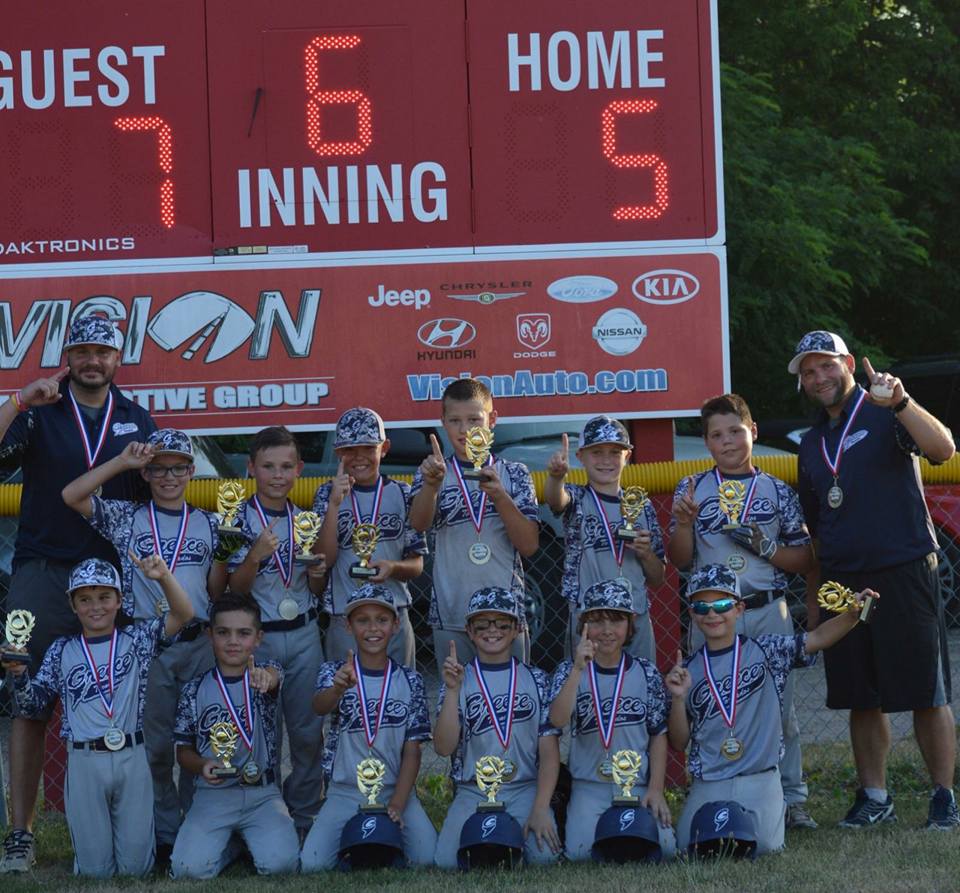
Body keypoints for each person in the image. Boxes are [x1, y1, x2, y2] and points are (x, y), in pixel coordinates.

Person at [0, 315, 156, 873]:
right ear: (68, 354)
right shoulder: (41, 407)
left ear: (119, 358)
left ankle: (136, 826)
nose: (93, 360)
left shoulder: (137, 419)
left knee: (126, 699)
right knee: (26, 702)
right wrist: (17, 400)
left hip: (109, 579)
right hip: (42, 570)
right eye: (82, 350)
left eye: (103, 351)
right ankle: (20, 833)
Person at [790, 330, 958, 829]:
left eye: (826, 365)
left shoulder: (886, 409)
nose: (819, 377)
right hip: (841, 579)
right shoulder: (812, 442)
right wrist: (816, 599)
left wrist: (902, 400)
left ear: (847, 363)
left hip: (902, 568)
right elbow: (818, 529)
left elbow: (943, 449)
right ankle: (875, 796)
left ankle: (943, 797)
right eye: (808, 371)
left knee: (926, 692)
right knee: (860, 695)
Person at [61, 428, 229, 860]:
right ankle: (165, 836)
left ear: (192, 472)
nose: (169, 476)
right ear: (148, 472)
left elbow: (215, 587)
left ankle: (200, 832)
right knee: (154, 749)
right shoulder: (127, 517)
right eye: (159, 467)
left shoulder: (210, 521)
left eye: (178, 467)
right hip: (147, 643)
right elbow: (73, 495)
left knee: (202, 742)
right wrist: (122, 462)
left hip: (198, 642)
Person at [667, 393, 817, 829]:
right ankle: (713, 784)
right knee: (711, 706)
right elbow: (679, 560)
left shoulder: (776, 489)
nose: (727, 440)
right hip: (713, 616)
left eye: (735, 430)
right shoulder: (692, 487)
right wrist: (683, 523)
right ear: (707, 442)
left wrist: (763, 545)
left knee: (780, 710)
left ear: (752, 431)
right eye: (717, 434)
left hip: (766, 608)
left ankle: (792, 798)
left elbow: (804, 558)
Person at [1, 555, 193, 877]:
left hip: (132, 756)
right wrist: (19, 674)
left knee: (136, 869)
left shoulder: (138, 640)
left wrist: (163, 578)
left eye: (105, 597)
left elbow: (184, 614)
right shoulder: (62, 649)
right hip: (84, 760)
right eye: (85, 599)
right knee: (95, 872)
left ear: (119, 600)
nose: (96, 607)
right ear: (73, 605)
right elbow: (34, 707)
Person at [665, 564, 874, 856]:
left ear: (739, 609)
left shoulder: (767, 650)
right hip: (710, 779)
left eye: (722, 604)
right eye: (702, 606)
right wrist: (677, 698)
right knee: (690, 847)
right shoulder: (688, 669)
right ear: (692, 614)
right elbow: (678, 741)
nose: (712, 614)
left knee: (762, 847)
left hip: (759, 776)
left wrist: (852, 615)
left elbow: (816, 639)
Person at [227, 426, 327, 838]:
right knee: (259, 735)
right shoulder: (234, 521)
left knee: (306, 733)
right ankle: (261, 820)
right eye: (268, 467)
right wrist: (255, 556)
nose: (278, 475)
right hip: (259, 638)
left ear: (299, 470)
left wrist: (318, 573)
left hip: (304, 635)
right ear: (251, 468)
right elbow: (232, 590)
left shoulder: (306, 520)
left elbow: (316, 589)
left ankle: (304, 817)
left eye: (286, 467)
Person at [301, 584, 436, 871]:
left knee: (425, 858)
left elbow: (413, 752)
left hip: (393, 789)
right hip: (346, 791)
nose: (373, 628)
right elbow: (318, 706)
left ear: (396, 624)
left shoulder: (410, 681)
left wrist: (398, 804)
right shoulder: (335, 672)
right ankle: (359, 847)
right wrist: (337, 689)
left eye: (382, 620)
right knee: (312, 864)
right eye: (362, 620)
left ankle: (383, 848)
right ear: (348, 626)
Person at [410, 378, 540, 668]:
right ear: (443, 422)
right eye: (455, 420)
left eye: (474, 419)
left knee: (510, 701)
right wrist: (431, 486)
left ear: (492, 419)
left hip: (506, 614)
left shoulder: (514, 474)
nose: (465, 429)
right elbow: (418, 525)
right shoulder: (433, 471)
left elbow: (529, 545)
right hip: (451, 612)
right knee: (457, 703)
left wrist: (500, 497)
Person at [170, 594, 300, 879]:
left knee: (282, 866)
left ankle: (249, 840)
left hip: (261, 793)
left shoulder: (262, 679)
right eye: (223, 632)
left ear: (258, 638)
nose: (233, 641)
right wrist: (201, 765)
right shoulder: (194, 689)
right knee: (186, 871)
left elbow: (275, 674)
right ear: (210, 636)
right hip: (213, 795)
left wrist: (267, 677)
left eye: (243, 633)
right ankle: (230, 847)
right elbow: (183, 750)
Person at [547, 580, 675, 862]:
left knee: (665, 850)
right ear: (583, 626)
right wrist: (579, 670)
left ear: (630, 626)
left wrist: (655, 789)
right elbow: (557, 720)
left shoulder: (646, 672)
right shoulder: (569, 671)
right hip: (589, 786)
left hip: (637, 785)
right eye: (597, 621)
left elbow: (658, 735)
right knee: (580, 853)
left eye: (616, 620)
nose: (606, 630)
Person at [433, 587, 560, 868]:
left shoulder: (536, 680)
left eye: (502, 623)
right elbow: (443, 747)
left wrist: (540, 808)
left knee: (545, 859)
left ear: (516, 629)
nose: (492, 630)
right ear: (469, 630)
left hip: (524, 787)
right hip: (473, 790)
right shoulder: (458, 679)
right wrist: (453, 691)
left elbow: (550, 755)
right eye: (482, 624)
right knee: (445, 862)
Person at [544, 415, 665, 662]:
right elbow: (556, 500)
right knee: (587, 688)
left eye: (614, 452)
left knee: (639, 685)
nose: (606, 460)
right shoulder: (578, 498)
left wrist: (646, 553)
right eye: (597, 452)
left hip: (634, 616)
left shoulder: (641, 506)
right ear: (581, 457)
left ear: (627, 457)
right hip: (590, 618)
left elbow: (658, 577)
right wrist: (556, 477)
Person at [312, 408, 425, 664]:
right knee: (345, 695)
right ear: (338, 452)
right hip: (345, 616)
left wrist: (393, 567)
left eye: (367, 447)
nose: (359, 457)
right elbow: (324, 559)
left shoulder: (404, 493)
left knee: (397, 696)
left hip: (393, 615)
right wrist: (333, 504)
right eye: (349, 449)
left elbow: (417, 565)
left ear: (384, 447)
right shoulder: (326, 494)